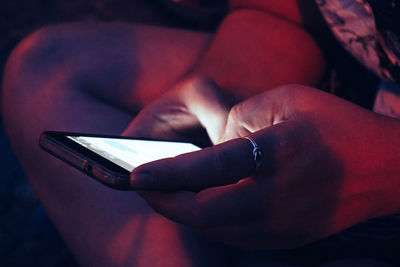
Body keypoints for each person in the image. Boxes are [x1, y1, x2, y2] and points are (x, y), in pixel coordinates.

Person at [1, 0, 399, 266]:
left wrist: (383, 169)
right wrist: (229, 87)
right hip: (360, 80)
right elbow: (280, 14)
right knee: (46, 69)